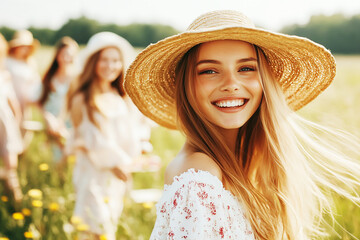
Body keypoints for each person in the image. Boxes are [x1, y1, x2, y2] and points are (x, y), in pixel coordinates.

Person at [124, 10, 360, 239]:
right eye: (209, 71)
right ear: (186, 87)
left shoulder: (243, 166)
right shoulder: (198, 177)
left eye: (246, 68)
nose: (231, 83)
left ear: (264, 81)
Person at [66, 32, 147, 240]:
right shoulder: (83, 98)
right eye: (104, 60)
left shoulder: (118, 96)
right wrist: (115, 163)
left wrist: (140, 149)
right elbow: (89, 138)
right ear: (94, 62)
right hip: (94, 173)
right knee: (96, 227)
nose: (110, 66)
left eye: (115, 60)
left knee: (108, 222)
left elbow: (131, 130)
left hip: (116, 175)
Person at [38, 36, 79, 163]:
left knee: (69, 158)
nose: (66, 58)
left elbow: (73, 104)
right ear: (57, 55)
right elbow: (40, 101)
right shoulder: (48, 77)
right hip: (52, 124)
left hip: (69, 124)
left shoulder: (76, 79)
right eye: (63, 54)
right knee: (53, 159)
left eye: (70, 55)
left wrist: (60, 121)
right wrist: (48, 118)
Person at [5, 30, 42, 147]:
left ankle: (20, 157)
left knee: (24, 129)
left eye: (27, 47)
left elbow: (35, 82)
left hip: (25, 102)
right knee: (8, 127)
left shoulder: (30, 63)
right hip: (9, 101)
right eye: (22, 46)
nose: (24, 49)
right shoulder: (7, 61)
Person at [0, 33, 24, 202]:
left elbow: (13, 103)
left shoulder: (4, 76)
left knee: (11, 165)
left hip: (5, 125)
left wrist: (17, 123)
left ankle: (16, 202)